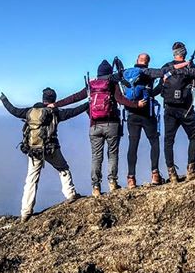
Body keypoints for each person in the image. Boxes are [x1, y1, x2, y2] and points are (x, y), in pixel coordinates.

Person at [51, 60, 144, 196]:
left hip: (94, 126)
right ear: (109, 73)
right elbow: (120, 100)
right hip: (111, 124)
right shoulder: (112, 84)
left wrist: (55, 104)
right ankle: (112, 183)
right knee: (112, 154)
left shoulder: (91, 86)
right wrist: (136, 105)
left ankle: (96, 187)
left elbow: (75, 97)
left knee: (96, 157)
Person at [0, 87, 88, 222]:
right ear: (54, 99)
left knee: (31, 179)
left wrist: (4, 100)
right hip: (51, 149)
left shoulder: (30, 112)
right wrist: (88, 103)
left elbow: (14, 110)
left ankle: (25, 212)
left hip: (33, 150)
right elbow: (73, 112)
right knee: (63, 168)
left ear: (43, 99)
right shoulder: (54, 112)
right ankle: (70, 194)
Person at [159, 42, 195, 182]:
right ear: (184, 53)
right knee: (194, 137)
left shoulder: (166, 67)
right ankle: (191, 170)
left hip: (170, 108)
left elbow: (161, 88)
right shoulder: (190, 66)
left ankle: (171, 174)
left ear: (174, 53)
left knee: (168, 140)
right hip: (186, 110)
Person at [119, 53, 165, 187]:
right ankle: (155, 174)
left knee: (133, 145)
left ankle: (131, 178)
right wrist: (162, 82)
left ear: (136, 60)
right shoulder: (149, 73)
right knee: (154, 142)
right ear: (148, 62)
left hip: (132, 114)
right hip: (147, 114)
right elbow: (153, 91)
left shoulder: (126, 73)